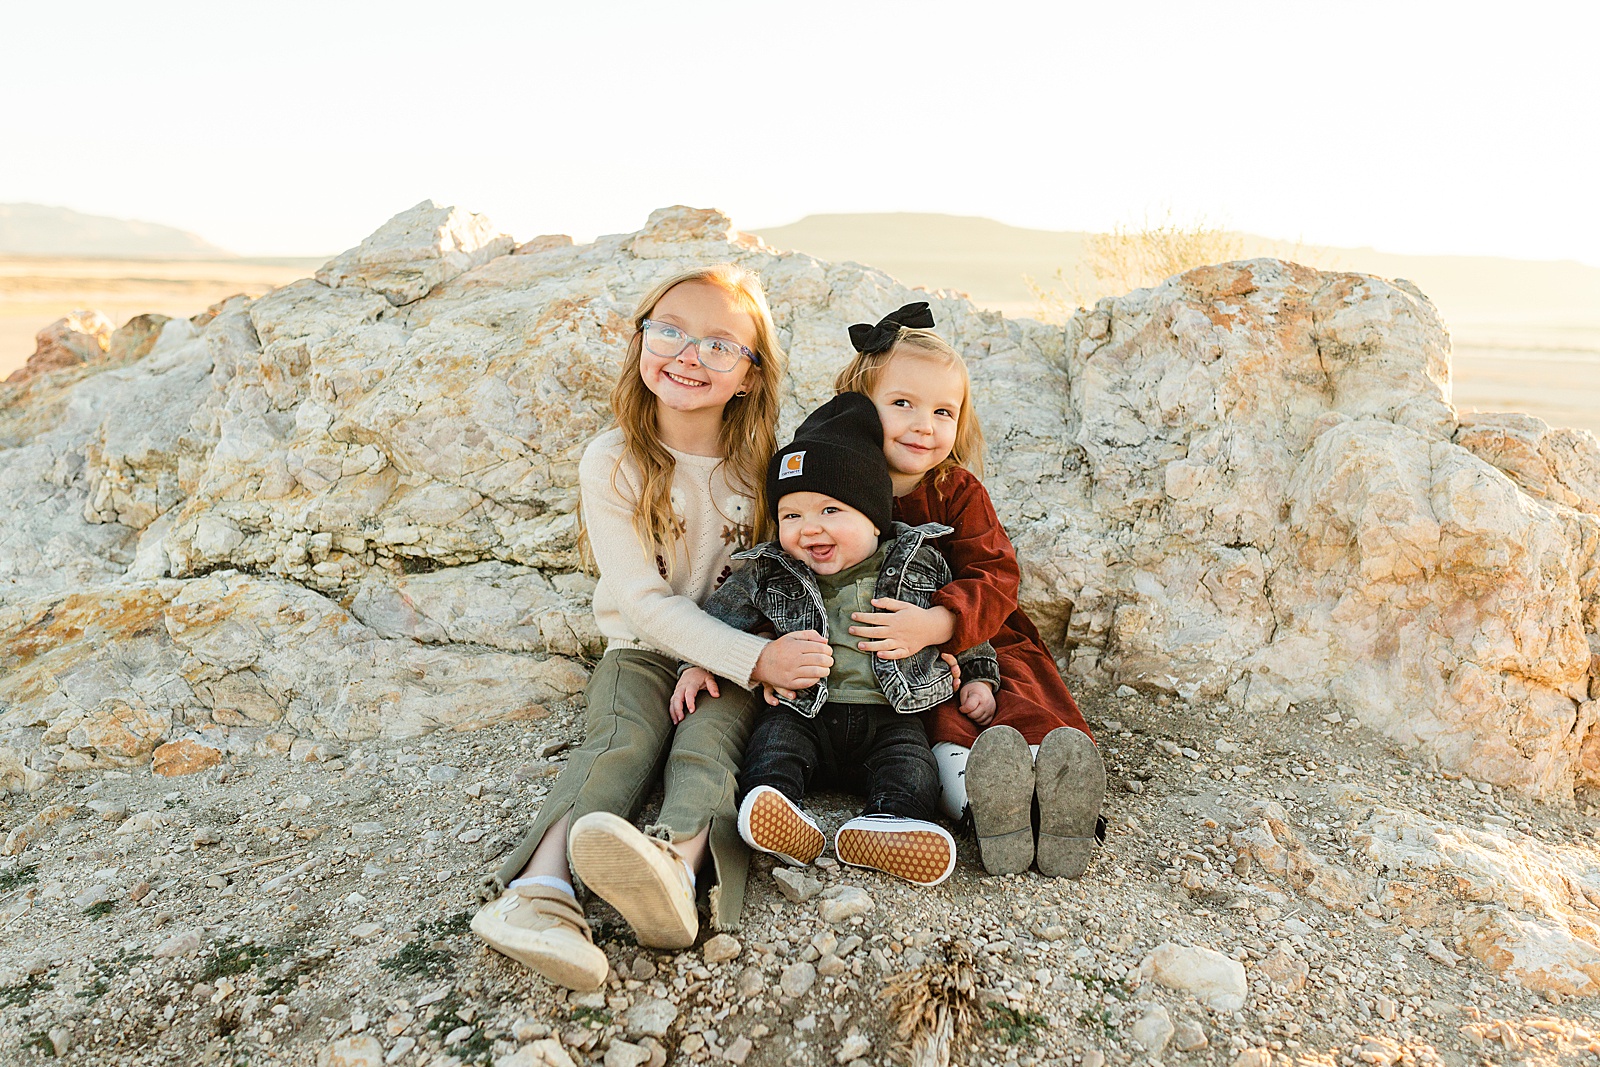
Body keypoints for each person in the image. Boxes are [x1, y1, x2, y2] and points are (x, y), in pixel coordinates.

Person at [472, 264, 834, 991]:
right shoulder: (613, 461)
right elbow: (640, 600)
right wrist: (753, 659)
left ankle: (676, 867)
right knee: (621, 741)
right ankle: (540, 894)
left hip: (735, 662)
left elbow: (783, 570)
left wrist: (741, 661)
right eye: (668, 330)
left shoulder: (765, 468)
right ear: (640, 339)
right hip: (644, 649)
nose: (689, 354)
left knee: (708, 748)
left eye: (719, 344)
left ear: (750, 375)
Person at [674, 392, 999, 887]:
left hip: (890, 713)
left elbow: (960, 621)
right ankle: (778, 813)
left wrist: (979, 678)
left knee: (912, 767)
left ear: (873, 517)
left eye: (830, 510)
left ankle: (889, 823)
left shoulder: (917, 562)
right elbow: (719, 620)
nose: (809, 530)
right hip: (805, 709)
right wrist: (698, 665)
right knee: (773, 747)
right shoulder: (770, 570)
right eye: (791, 516)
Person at [833, 303, 1107, 879]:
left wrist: (939, 623)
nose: (923, 425)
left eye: (942, 411)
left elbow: (995, 573)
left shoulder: (955, 488)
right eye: (901, 404)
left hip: (974, 630)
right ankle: (990, 808)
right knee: (937, 718)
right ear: (858, 407)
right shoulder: (836, 482)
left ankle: (1057, 793)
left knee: (1021, 690)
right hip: (888, 652)